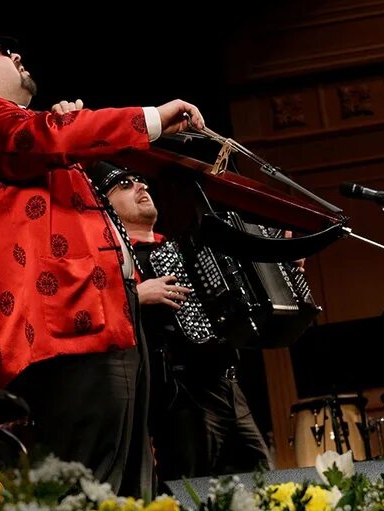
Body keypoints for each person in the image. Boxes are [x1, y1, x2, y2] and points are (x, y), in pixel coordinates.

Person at [0, 14, 205, 498]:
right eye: (0, 54)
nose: (16, 56)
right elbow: (43, 137)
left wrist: (65, 134)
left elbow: (46, 164)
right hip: (69, 332)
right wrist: (150, 120)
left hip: (92, 325)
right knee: (89, 496)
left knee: (118, 495)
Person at [86, 161, 272, 488]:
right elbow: (84, 315)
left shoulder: (186, 248)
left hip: (228, 384)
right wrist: (133, 297)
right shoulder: (110, 262)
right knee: (193, 495)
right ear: (105, 205)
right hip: (180, 397)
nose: (140, 187)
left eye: (141, 179)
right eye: (125, 185)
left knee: (261, 487)